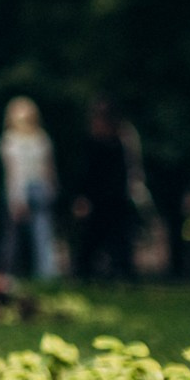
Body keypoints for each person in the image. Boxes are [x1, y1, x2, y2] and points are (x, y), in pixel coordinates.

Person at [0, 96, 57, 280]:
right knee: (38, 235)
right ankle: (42, 274)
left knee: (17, 236)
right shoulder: (40, 139)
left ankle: (9, 273)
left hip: (27, 188)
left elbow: (15, 173)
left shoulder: (11, 140)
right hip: (34, 188)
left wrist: (16, 197)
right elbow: (47, 169)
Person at [76, 98, 137, 280]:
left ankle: (121, 272)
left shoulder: (118, 142)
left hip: (115, 198)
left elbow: (123, 172)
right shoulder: (92, 142)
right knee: (92, 239)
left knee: (118, 239)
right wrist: (83, 197)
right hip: (97, 199)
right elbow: (86, 173)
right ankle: (85, 273)